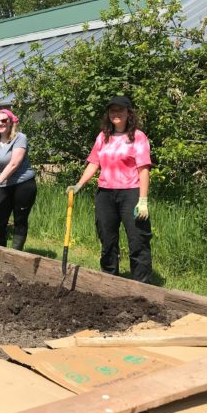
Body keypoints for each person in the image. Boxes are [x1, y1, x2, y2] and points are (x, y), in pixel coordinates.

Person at [66, 95, 153, 284]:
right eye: (112, 110)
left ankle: (142, 285)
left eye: (120, 110)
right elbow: (93, 163)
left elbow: (143, 169)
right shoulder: (103, 136)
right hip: (105, 194)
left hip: (131, 192)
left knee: (138, 240)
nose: (116, 113)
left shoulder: (138, 136)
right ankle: (109, 280)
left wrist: (143, 199)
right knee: (107, 240)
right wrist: (79, 184)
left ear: (129, 113)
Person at [0, 108, 37, 251]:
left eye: (4, 120)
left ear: (10, 122)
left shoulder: (20, 138)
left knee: (20, 220)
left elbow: (14, 163)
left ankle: (16, 255)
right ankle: (0, 253)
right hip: (2, 187)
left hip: (23, 185)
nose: (0, 123)